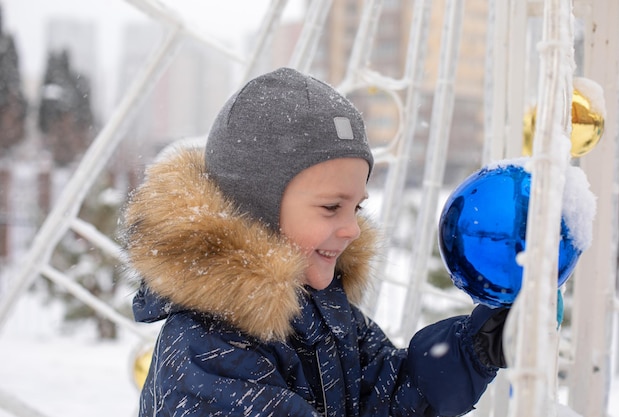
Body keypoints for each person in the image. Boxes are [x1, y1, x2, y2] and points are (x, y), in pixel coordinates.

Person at [122, 67, 508, 417]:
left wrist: (474, 348)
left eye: (355, 208)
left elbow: (389, 394)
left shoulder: (322, 311)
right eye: (330, 207)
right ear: (256, 211)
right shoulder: (207, 351)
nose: (352, 229)